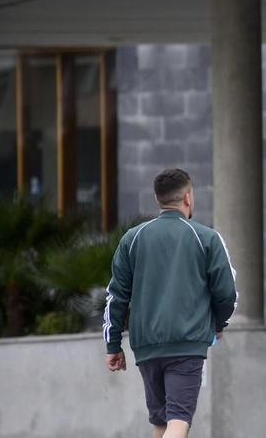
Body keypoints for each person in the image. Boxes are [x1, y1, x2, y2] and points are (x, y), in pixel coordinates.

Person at [103, 168, 238, 438]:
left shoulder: (133, 238)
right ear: (188, 197)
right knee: (178, 422)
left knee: (161, 424)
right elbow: (227, 293)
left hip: (146, 347)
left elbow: (116, 296)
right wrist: (218, 324)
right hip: (186, 345)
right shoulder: (206, 237)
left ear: (157, 198)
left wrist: (113, 344)